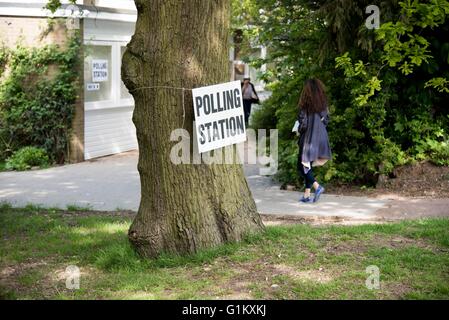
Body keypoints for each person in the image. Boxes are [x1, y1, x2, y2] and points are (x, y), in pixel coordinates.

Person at [296, 78, 332, 203]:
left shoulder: (305, 105)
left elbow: (303, 124)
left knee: (302, 166)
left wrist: (298, 129)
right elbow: (327, 120)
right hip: (321, 137)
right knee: (308, 165)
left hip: (309, 138)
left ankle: (317, 187)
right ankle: (306, 195)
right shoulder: (323, 104)